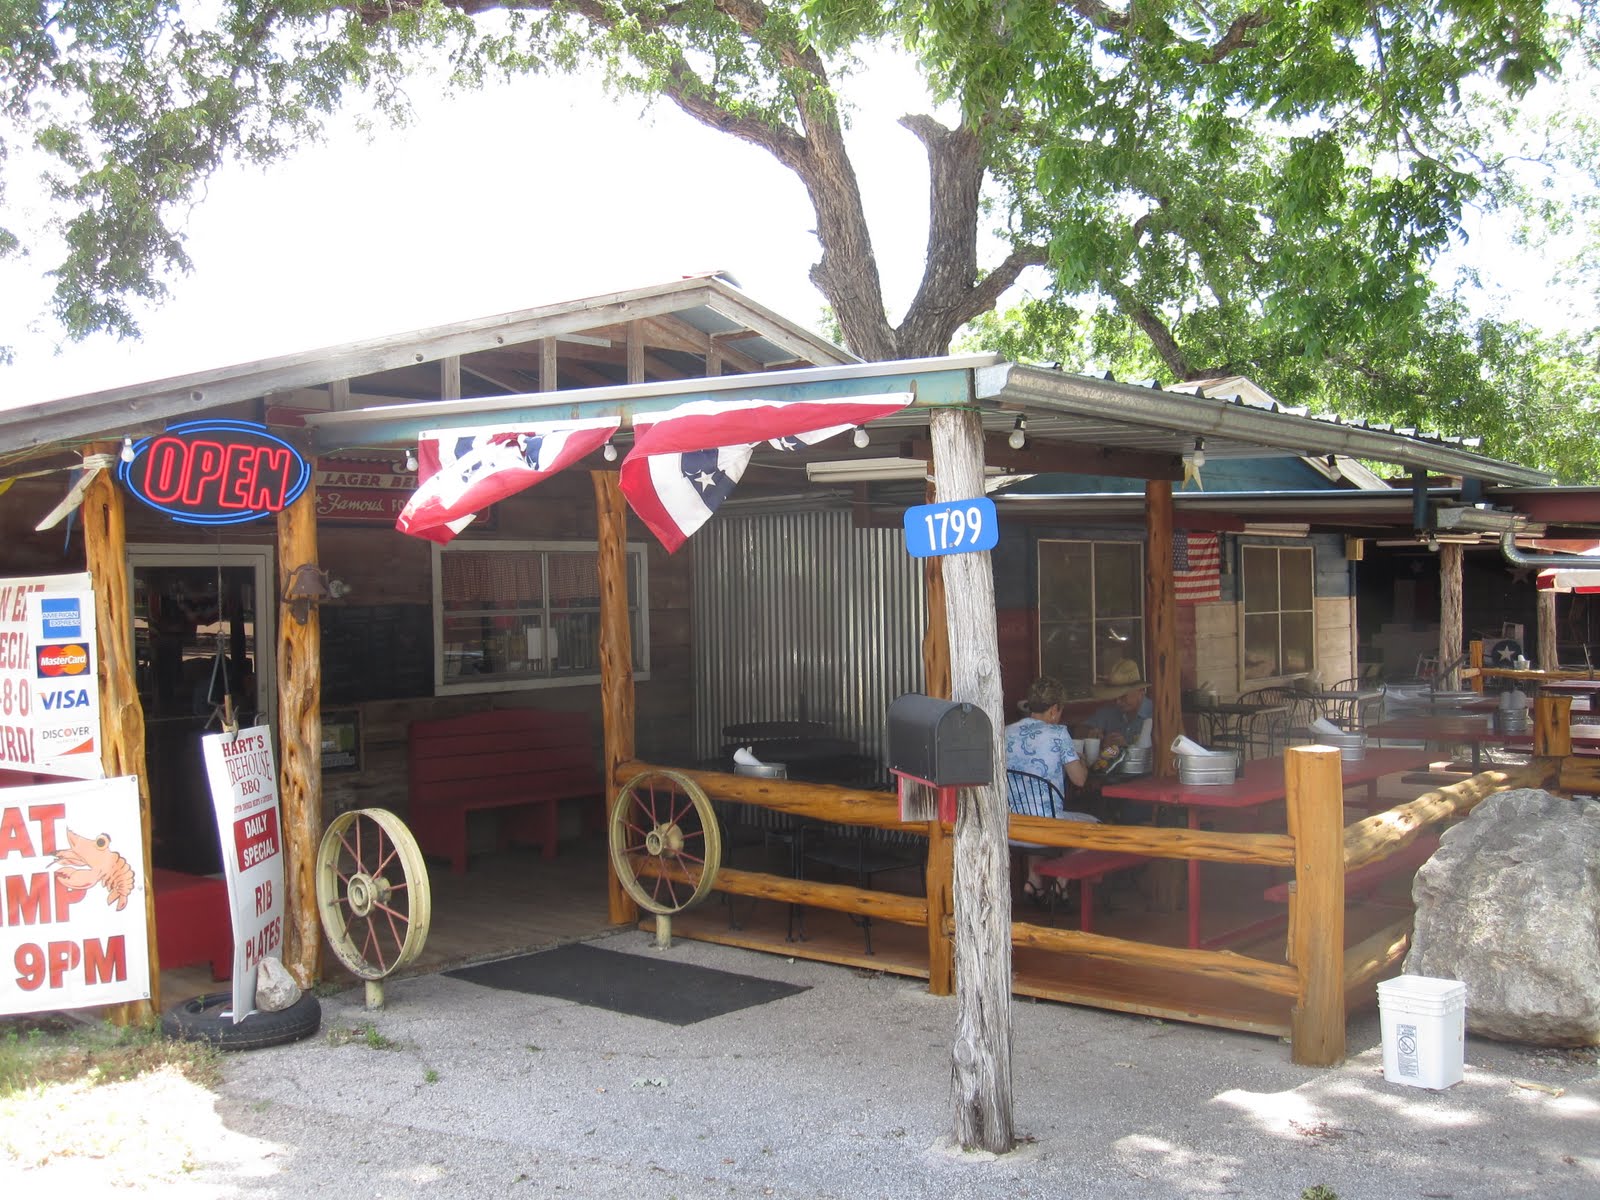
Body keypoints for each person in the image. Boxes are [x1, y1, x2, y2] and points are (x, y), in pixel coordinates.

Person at [1004, 676, 1097, 902]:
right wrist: (1081, 759)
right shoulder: (1058, 734)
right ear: (1055, 709)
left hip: (1012, 827)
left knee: (1034, 813)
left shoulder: (1006, 731)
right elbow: (1080, 780)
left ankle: (1033, 884)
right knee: (1093, 828)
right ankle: (1059, 886)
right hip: (1047, 827)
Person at [1084, 658, 1153, 752]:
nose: (1118, 702)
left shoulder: (1157, 715)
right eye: (1115, 696)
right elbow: (1081, 730)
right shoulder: (1110, 711)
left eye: (1123, 696)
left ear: (1140, 690)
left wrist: (1127, 748)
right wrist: (1093, 735)